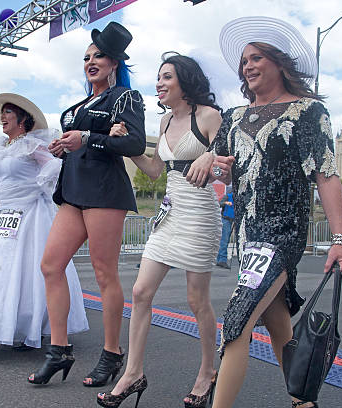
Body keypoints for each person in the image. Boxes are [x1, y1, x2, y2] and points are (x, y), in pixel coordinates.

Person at [187, 17, 342, 408]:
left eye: (256, 57)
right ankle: (303, 401)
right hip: (246, 232)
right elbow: (225, 167)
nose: (248, 66)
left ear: (279, 63)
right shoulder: (234, 117)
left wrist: (339, 240)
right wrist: (217, 165)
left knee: (237, 322)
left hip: (282, 230)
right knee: (277, 318)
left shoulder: (308, 112)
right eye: (244, 61)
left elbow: (326, 175)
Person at [97, 52, 222, 408]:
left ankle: (208, 371)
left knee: (197, 300)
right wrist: (126, 145)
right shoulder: (165, 121)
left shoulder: (210, 117)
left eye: (167, 77)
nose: (159, 84)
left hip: (199, 215)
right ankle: (133, 372)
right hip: (168, 216)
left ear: (185, 81)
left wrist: (210, 156)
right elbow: (154, 170)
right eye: (158, 78)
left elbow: (233, 156)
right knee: (140, 291)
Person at [28, 21, 146, 386]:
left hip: (105, 192)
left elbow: (134, 145)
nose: (91, 62)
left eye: (99, 56)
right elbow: (82, 141)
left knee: (103, 272)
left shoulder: (126, 98)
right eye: (86, 57)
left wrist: (89, 138)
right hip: (74, 191)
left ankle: (112, 353)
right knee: (50, 265)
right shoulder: (80, 104)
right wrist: (63, 146)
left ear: (114, 63)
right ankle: (59, 351)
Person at [0, 93, 89, 348]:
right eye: (2, 113)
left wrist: (37, 189)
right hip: (3, 215)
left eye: (8, 112)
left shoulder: (33, 145)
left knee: (26, 270)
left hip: (30, 215)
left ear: (22, 119)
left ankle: (28, 325)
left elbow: (55, 168)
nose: (3, 117)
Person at [216, 188, 234, 269]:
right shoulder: (228, 196)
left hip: (232, 219)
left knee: (225, 240)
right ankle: (222, 260)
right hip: (226, 219)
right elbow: (219, 203)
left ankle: (221, 259)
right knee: (224, 240)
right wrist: (226, 203)